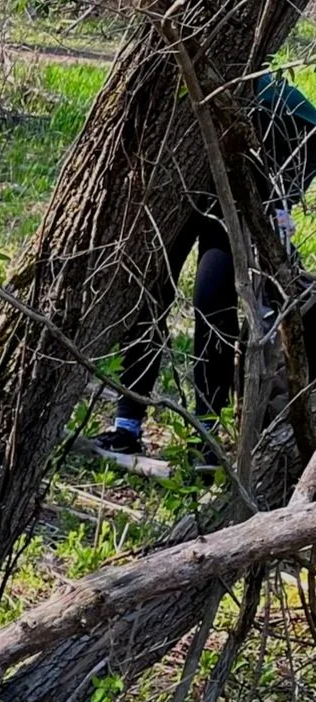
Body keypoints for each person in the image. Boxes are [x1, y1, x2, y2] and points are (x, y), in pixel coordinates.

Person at [98, 71, 316, 456]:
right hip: (176, 181)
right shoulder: (163, 85)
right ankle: (127, 425)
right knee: (150, 291)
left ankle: (207, 439)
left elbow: (305, 144)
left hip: (242, 185)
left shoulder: (276, 103)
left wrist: (280, 198)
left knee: (211, 300)